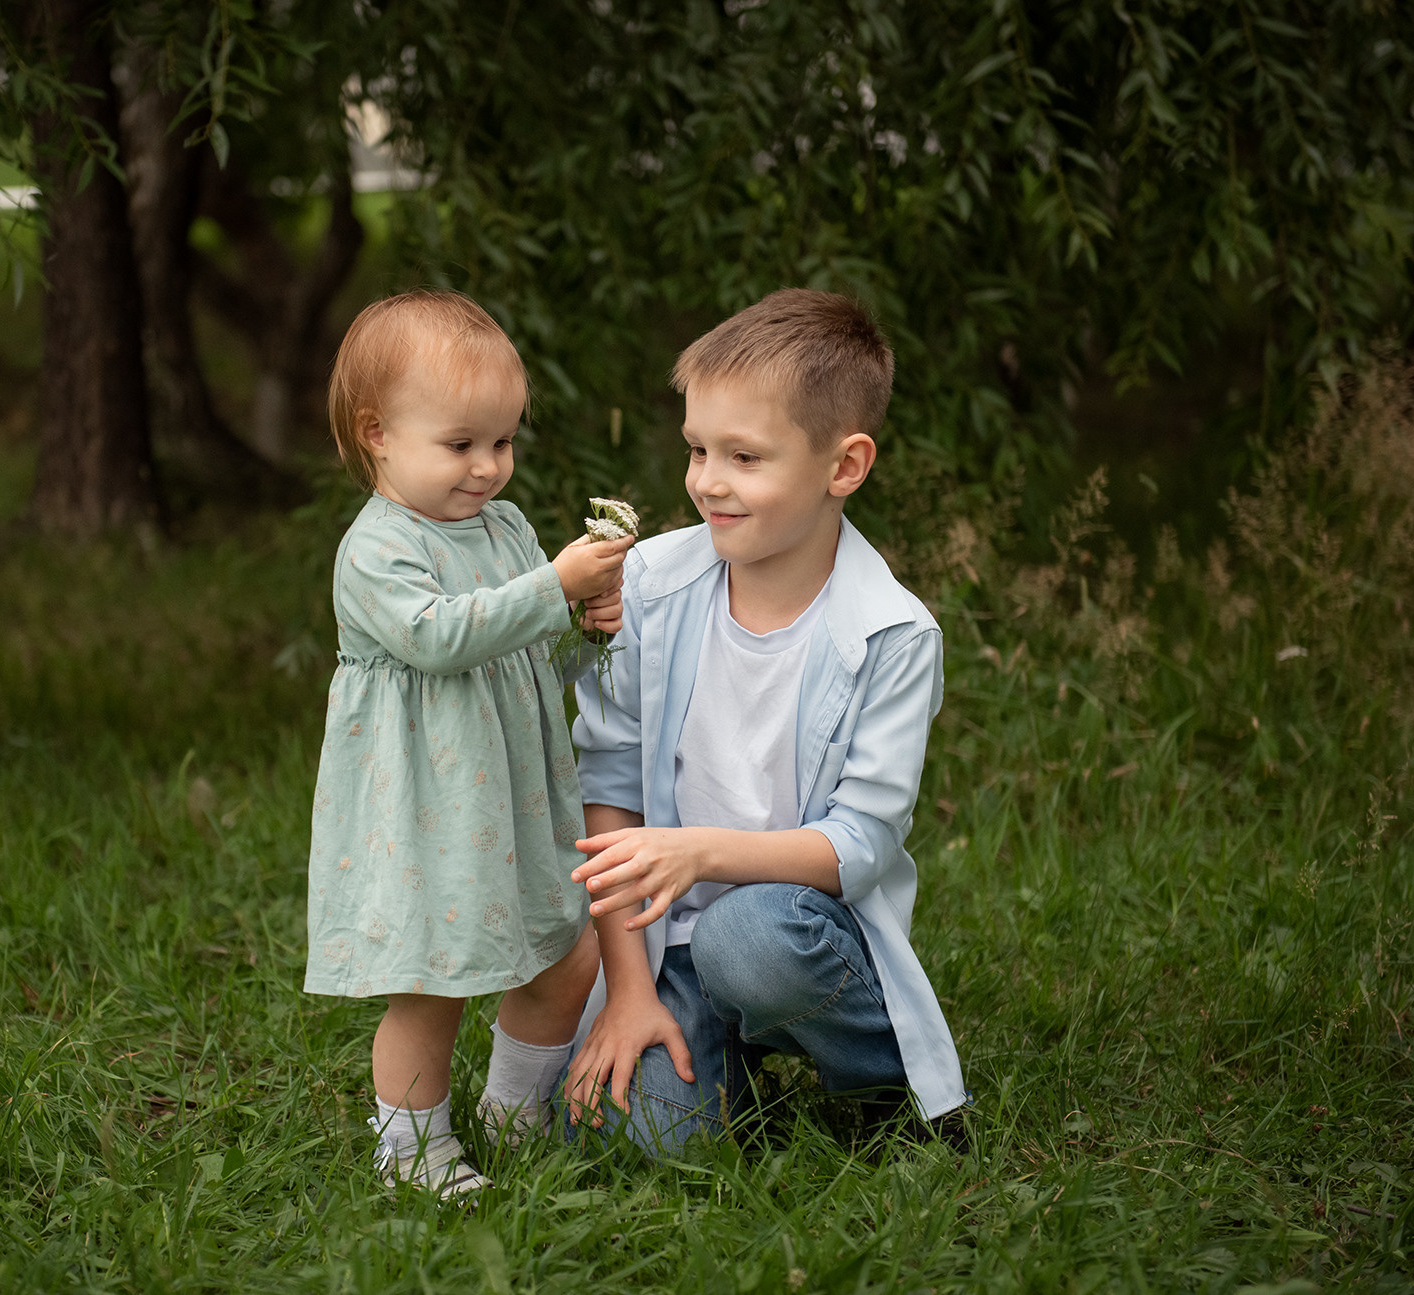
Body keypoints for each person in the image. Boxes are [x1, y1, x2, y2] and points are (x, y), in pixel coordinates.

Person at [564, 288, 969, 1153]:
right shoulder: (651, 589)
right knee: (620, 1138)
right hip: (661, 941)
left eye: (745, 456)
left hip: (794, 933)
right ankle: (720, 1073)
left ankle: (877, 1085)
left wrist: (700, 852)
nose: (708, 480)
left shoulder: (889, 634)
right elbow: (607, 787)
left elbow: (858, 842)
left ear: (844, 465)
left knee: (748, 937)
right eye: (698, 449)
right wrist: (628, 990)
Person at [304, 289, 633, 1198]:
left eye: (503, 440)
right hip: (427, 803)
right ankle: (411, 1147)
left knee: (565, 948)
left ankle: (512, 1113)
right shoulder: (376, 550)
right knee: (435, 977)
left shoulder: (508, 527)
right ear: (377, 433)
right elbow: (440, 636)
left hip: (513, 794)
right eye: (462, 444)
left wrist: (585, 622)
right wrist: (553, 584)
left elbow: (530, 649)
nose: (489, 466)